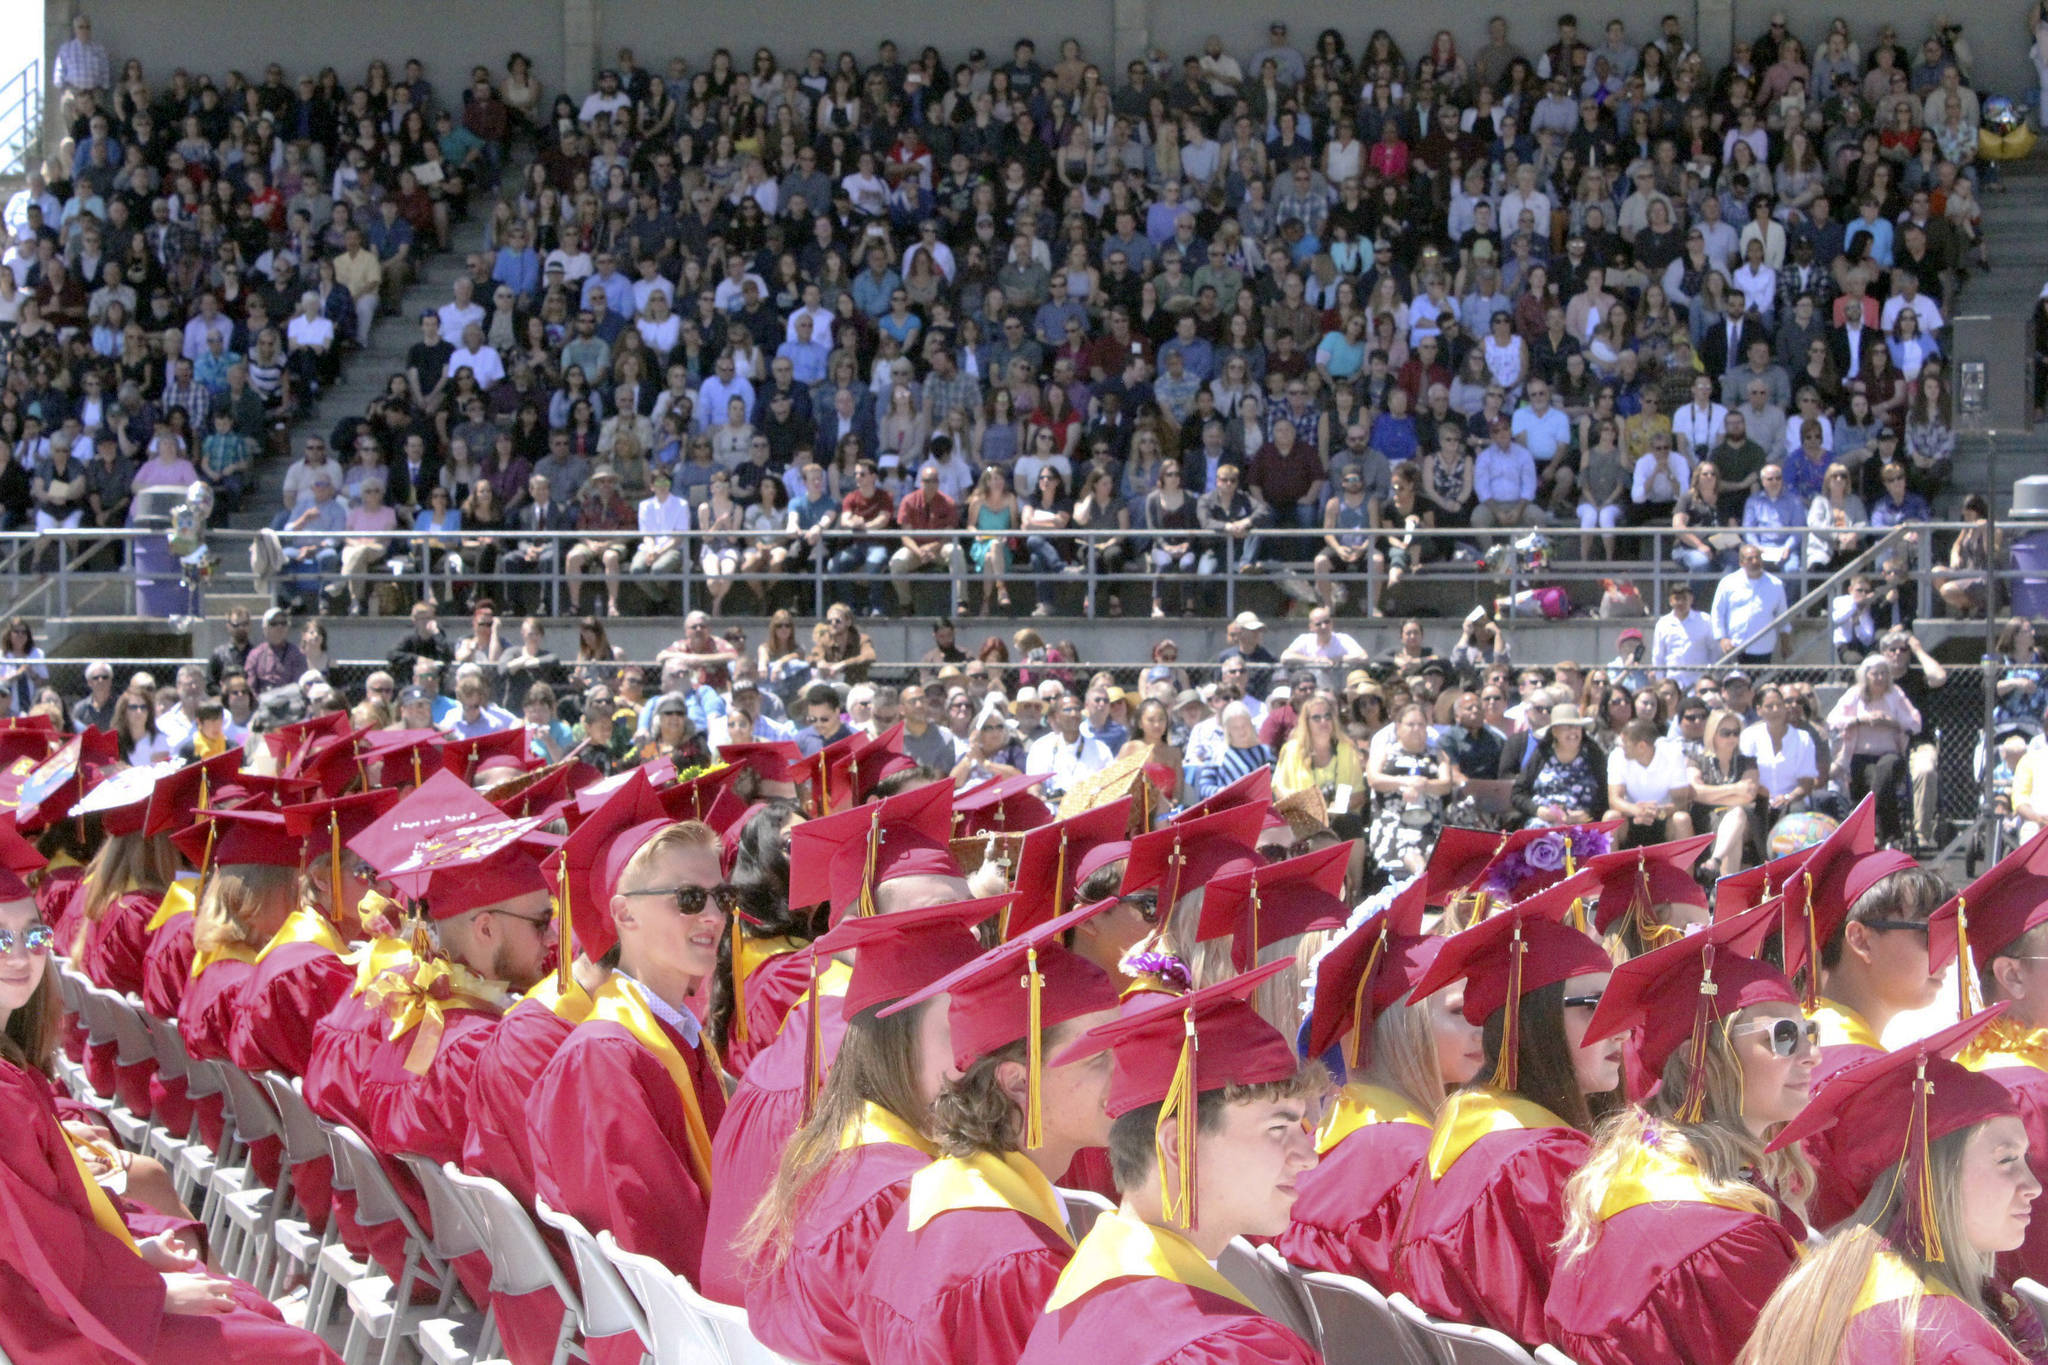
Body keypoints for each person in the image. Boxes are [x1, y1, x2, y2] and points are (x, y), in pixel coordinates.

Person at [851, 899, 1124, 1365]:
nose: (1125, 1073)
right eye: (1100, 1060)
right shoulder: (1013, 1263)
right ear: (1018, 1082)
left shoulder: (933, 1199)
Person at [1014, 967, 1328, 1365]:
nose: (1308, 1156)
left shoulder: (1077, 1301)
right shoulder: (1221, 1351)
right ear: (1178, 1144)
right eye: (1278, 1127)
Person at [1546, 906, 1816, 1365]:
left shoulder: (1631, 1165)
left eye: (1810, 1032)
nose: (1811, 1055)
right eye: (1784, 1035)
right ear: (1702, 1061)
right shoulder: (1723, 1237)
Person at [1735, 1015, 2041, 1365]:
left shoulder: (1821, 1291)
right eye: (2006, 1161)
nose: (2032, 1186)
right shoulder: (1943, 1341)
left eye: (2026, 1159)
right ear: (1916, 1178)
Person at [1397, 901, 1620, 1346]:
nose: (1621, 1026)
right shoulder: (1539, 1164)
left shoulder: (1463, 1125)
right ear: (1532, 1021)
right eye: (1596, 1004)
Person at [1826, 653, 1922, 848]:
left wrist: (1890, 722)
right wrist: (1860, 720)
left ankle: (1878, 833)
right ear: (1865, 676)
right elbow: (1832, 720)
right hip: (1860, 756)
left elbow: (1915, 723)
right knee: (1875, 778)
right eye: (1875, 674)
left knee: (1884, 772)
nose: (1879, 678)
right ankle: (1890, 834)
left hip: (1890, 754)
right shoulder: (1854, 695)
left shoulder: (1895, 695)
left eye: (1883, 674)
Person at [1368, 703, 1452, 876]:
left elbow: (1446, 784)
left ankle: (1423, 879)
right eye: (1411, 724)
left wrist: (1424, 785)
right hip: (1393, 817)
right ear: (1398, 727)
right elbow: (1374, 779)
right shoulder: (1385, 752)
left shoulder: (1438, 754)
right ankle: (1421, 879)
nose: (1416, 729)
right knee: (1406, 843)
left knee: (1429, 846)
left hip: (1429, 818)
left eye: (1421, 724)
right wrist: (1405, 782)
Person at [1513, 704, 1607, 829]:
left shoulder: (1593, 754)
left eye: (1577, 727)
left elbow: (1605, 796)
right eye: (1567, 727)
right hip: (1542, 824)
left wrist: (1588, 815)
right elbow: (1517, 794)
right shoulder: (1542, 753)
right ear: (1554, 731)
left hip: (1584, 825)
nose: (1573, 732)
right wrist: (1538, 811)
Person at [1712, 544, 1790, 665]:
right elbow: (1717, 613)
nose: (1755, 561)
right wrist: (1722, 639)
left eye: (1758, 557)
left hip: (1763, 648)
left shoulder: (1775, 584)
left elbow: (1782, 616)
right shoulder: (1728, 583)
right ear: (1741, 563)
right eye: (1749, 559)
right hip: (1734, 647)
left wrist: (1785, 643)